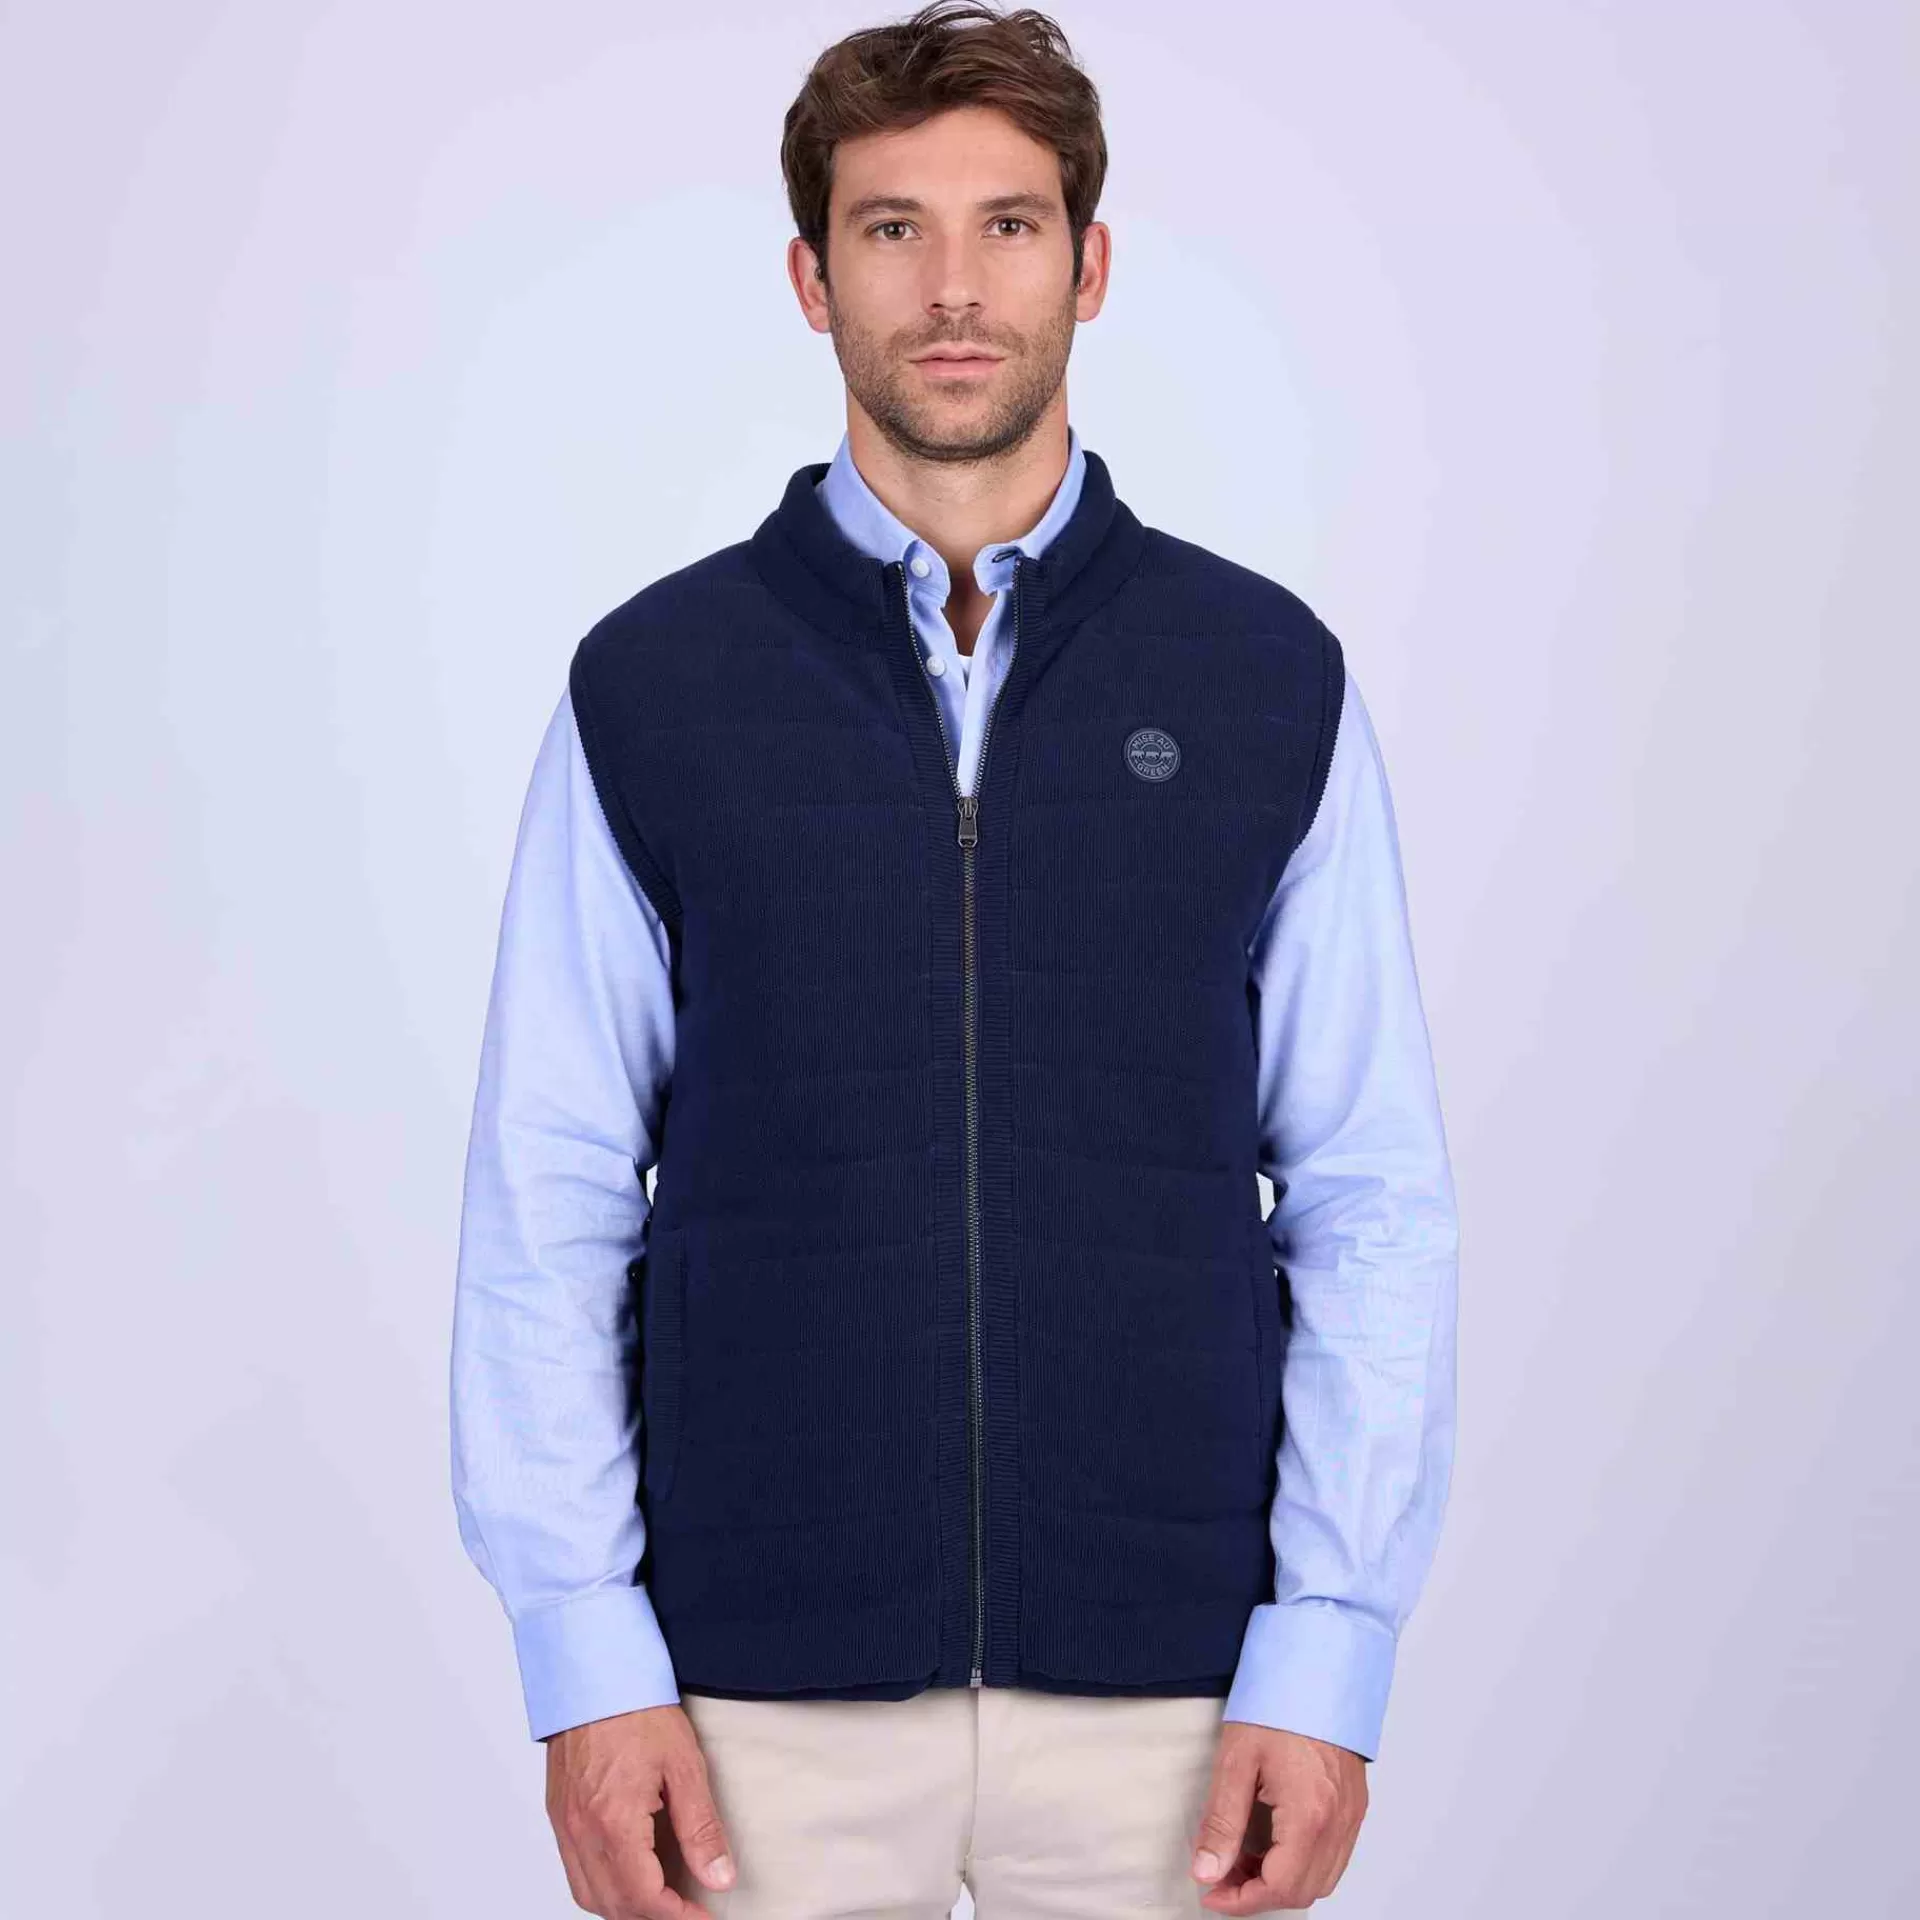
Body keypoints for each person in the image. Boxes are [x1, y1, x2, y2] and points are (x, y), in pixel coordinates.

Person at [449, 4, 1459, 1914]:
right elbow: (549, 1190)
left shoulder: (1263, 682)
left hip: (1176, 1694)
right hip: (750, 1697)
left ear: (1090, 263)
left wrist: (1329, 1648)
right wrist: (585, 1655)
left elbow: (1370, 1191)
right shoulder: (655, 688)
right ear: (811, 278)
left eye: (1008, 225)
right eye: (891, 228)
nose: (954, 289)